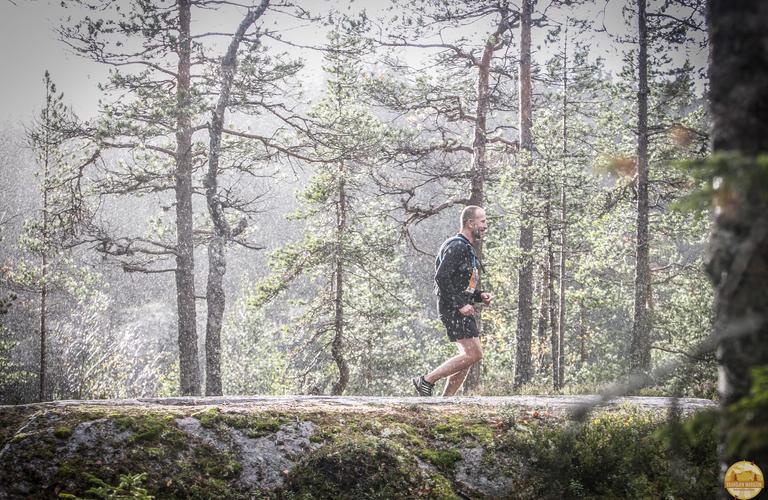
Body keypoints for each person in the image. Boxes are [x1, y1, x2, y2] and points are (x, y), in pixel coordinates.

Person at [412, 205, 492, 397]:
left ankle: (446, 400)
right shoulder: (456, 246)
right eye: (482, 221)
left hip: (461, 306)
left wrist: (478, 295)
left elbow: (460, 282)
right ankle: (426, 380)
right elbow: (441, 278)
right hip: (453, 308)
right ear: (469, 223)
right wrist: (460, 304)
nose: (485, 226)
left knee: (468, 357)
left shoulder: (466, 247)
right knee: (474, 354)